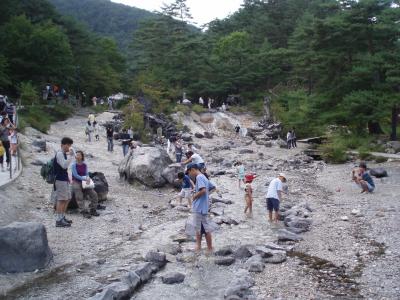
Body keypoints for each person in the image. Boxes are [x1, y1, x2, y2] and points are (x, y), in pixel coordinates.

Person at [186, 163, 213, 253]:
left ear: (192, 169)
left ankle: (209, 248)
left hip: (199, 207)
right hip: (202, 206)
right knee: (199, 228)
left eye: (189, 173)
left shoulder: (199, 177)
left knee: (205, 228)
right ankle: (199, 246)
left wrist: (194, 197)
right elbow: (211, 187)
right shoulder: (204, 177)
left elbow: (203, 190)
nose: (189, 175)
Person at [71, 151, 100, 218]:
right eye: (76, 155)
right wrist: (84, 179)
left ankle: (93, 209)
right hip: (76, 181)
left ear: (82, 157)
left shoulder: (85, 164)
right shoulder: (73, 165)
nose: (77, 156)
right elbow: (75, 175)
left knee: (94, 194)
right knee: (79, 196)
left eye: (78, 155)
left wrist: (88, 178)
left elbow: (86, 173)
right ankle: (84, 211)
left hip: (84, 181)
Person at [54, 137, 75, 227]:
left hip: (64, 178)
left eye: (70, 145)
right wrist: (70, 156)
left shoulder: (64, 153)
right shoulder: (59, 154)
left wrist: (70, 155)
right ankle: (59, 220)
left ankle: (62, 216)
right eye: (68, 145)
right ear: (63, 145)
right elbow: (64, 165)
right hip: (60, 179)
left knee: (67, 198)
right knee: (61, 199)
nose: (69, 147)